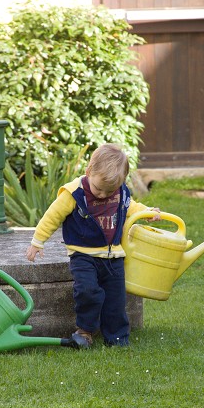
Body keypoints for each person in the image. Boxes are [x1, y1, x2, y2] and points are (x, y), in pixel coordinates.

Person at [26, 143, 161, 348]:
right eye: (98, 189)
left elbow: (132, 208)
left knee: (116, 299)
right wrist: (38, 241)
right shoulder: (74, 193)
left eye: (110, 191)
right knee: (88, 291)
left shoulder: (120, 192)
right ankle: (85, 331)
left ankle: (117, 337)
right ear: (89, 172)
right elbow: (52, 217)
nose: (102, 195)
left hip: (113, 256)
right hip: (83, 255)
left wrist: (148, 212)